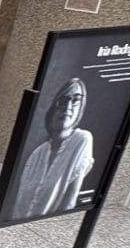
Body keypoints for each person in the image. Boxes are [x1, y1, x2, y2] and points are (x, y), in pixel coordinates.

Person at [12, 78, 94, 220]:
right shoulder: (37, 154)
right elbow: (20, 203)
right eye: (63, 100)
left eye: (75, 100)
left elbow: (69, 201)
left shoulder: (82, 139)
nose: (68, 106)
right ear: (52, 109)